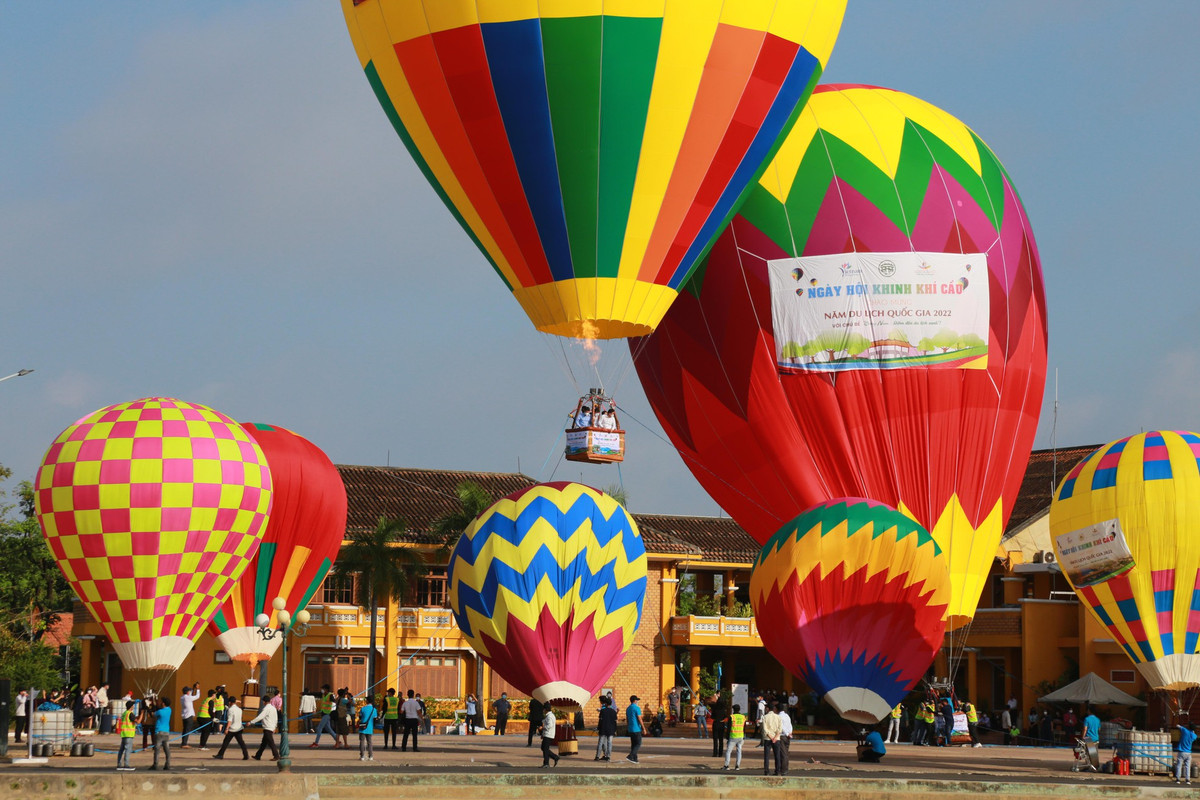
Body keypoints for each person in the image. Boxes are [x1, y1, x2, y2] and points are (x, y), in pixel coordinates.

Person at [248, 695, 279, 761]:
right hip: (271, 727)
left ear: (264, 702)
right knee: (263, 744)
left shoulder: (266, 708)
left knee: (271, 743)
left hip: (267, 728)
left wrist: (251, 722)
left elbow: (260, 717)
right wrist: (275, 727)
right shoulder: (273, 708)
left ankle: (276, 755)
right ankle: (258, 755)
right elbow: (276, 718)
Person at [150, 696, 172, 771]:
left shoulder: (160, 712)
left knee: (157, 749)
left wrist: (149, 707)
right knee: (167, 749)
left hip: (159, 732)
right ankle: (167, 764)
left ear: (163, 703)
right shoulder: (169, 710)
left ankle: (155, 764)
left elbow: (153, 714)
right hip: (166, 732)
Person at [722, 704, 747, 770]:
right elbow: (744, 727)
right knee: (739, 751)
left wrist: (727, 736)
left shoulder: (732, 717)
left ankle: (726, 765)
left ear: (733, 710)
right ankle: (737, 766)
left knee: (728, 751)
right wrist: (743, 736)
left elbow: (729, 728)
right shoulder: (743, 717)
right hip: (740, 736)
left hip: (733, 736)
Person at [761, 702, 783, 775]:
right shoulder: (778, 717)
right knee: (777, 755)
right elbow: (780, 729)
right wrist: (775, 737)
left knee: (766, 756)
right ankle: (777, 771)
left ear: (767, 708)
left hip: (768, 738)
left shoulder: (765, 717)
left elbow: (765, 729)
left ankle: (766, 771)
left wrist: (771, 737)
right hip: (776, 739)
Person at [116, 699, 137, 771]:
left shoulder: (124, 713)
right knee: (128, 750)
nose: (134, 706)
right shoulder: (130, 714)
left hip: (124, 734)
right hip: (129, 735)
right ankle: (126, 765)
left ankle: (119, 764)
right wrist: (142, 714)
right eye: (133, 705)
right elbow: (137, 721)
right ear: (131, 706)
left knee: (121, 750)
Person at [595, 695, 617, 761]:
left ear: (606, 704)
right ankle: (608, 756)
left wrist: (598, 728)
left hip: (603, 729)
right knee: (609, 743)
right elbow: (615, 722)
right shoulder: (613, 712)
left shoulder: (603, 711)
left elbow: (600, 721)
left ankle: (597, 756)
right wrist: (615, 730)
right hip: (611, 729)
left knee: (600, 743)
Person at [357, 694, 378, 762]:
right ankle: (370, 756)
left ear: (367, 701)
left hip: (362, 727)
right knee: (369, 742)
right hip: (370, 727)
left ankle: (362, 756)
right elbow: (375, 719)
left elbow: (360, 717)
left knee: (362, 741)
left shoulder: (363, 708)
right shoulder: (374, 709)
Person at [179, 683, 200, 748]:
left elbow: (191, 695)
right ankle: (184, 743)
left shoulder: (182, 697)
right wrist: (198, 689)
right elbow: (197, 696)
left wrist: (194, 688)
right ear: (187, 692)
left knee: (185, 729)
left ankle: (183, 742)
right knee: (187, 730)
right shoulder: (187, 697)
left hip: (184, 716)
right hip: (189, 716)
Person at [625, 695, 644, 764]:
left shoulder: (628, 708)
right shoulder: (637, 708)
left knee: (633, 744)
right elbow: (639, 718)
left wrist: (628, 726)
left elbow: (627, 719)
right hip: (636, 728)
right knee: (638, 743)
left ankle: (635, 758)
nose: (637, 701)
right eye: (637, 700)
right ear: (635, 701)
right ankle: (630, 756)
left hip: (630, 728)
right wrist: (643, 728)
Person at [775, 702, 792, 776]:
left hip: (782, 736)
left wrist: (787, 733)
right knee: (786, 753)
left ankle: (783, 770)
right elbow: (790, 725)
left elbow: (781, 727)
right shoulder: (787, 715)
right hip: (787, 736)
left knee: (783, 754)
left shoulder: (779, 717)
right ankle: (785, 769)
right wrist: (790, 733)